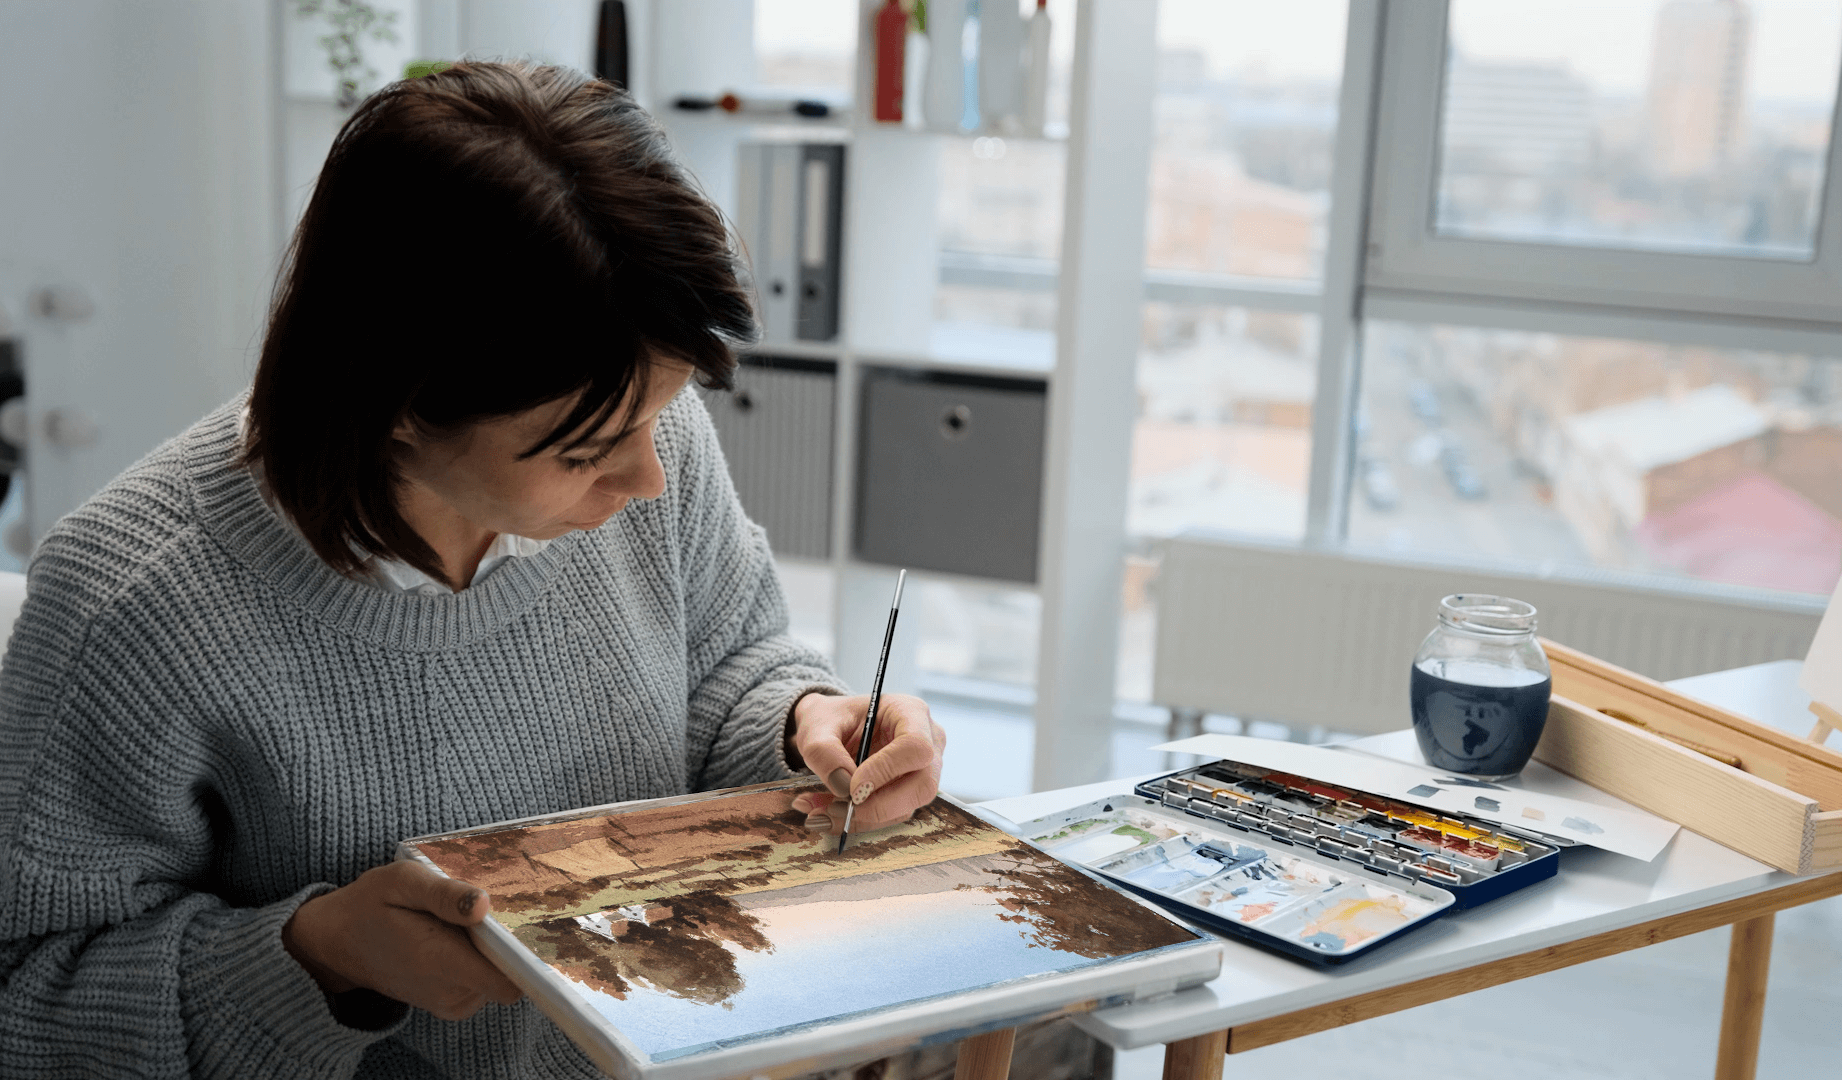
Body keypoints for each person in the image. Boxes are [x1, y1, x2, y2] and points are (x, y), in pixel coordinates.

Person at [0, 61, 945, 1079]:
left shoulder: (625, 421)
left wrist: (807, 721)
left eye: (658, 418)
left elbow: (727, 664)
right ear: (398, 401)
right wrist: (322, 957)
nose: (649, 478)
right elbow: (29, 999)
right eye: (586, 452)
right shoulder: (131, 604)